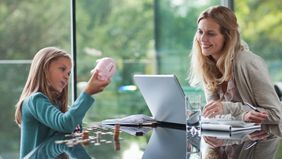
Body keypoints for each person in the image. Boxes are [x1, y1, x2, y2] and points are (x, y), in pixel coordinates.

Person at [188, 5, 282, 158]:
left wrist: (230, 109)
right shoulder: (208, 65)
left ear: (228, 36)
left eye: (211, 33)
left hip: (264, 139)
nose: (203, 39)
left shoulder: (249, 63)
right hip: (234, 142)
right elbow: (215, 116)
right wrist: (242, 115)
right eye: (200, 31)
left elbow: (276, 115)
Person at [15, 47, 110, 158]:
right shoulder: (34, 100)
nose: (66, 76)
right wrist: (87, 92)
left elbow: (70, 132)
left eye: (69, 73)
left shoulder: (59, 106)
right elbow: (65, 124)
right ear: (45, 69)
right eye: (62, 69)